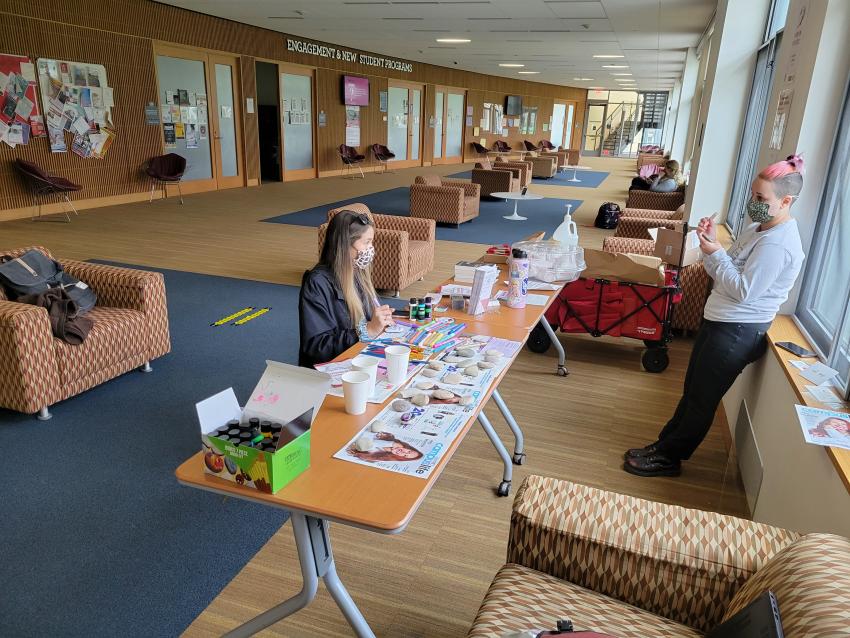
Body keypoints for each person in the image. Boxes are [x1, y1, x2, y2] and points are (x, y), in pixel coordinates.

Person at [624, 154, 806, 477]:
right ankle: (664, 445)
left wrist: (718, 254)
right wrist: (709, 244)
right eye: (753, 194)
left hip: (737, 331)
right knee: (692, 389)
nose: (753, 202)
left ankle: (669, 458)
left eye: (761, 198)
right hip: (720, 320)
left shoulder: (780, 245)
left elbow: (742, 289)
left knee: (701, 400)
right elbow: (723, 271)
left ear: (786, 201)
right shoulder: (757, 229)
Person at [298, 210, 394, 369]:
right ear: (344, 245)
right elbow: (316, 347)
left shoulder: (357, 272)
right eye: (366, 242)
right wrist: (367, 330)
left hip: (358, 358)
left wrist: (381, 321)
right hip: (331, 370)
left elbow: (371, 321)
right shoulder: (317, 283)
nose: (371, 249)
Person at [346, 432, 424, 462]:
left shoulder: (377, 457)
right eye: (408, 451)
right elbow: (375, 434)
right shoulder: (391, 438)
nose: (404, 452)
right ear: (408, 447)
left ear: (401, 458)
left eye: (405, 455)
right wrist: (392, 443)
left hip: (347, 440)